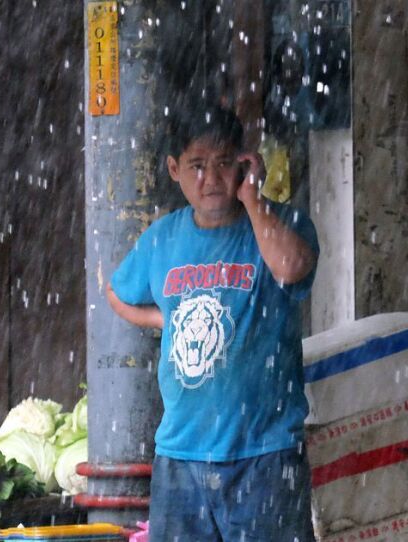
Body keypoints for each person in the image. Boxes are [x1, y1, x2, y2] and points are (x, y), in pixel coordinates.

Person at [107, 105, 319, 541]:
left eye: (224, 163)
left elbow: (292, 267)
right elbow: (116, 292)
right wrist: (163, 318)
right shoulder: (162, 238)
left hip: (266, 453)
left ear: (244, 163)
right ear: (173, 169)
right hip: (181, 455)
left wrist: (253, 199)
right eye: (197, 166)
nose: (211, 178)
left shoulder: (283, 224)